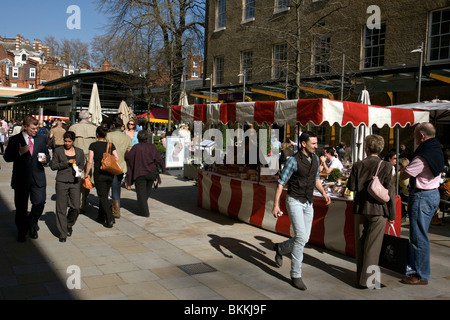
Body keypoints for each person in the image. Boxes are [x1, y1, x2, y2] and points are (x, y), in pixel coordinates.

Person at [272, 131, 331, 290]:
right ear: (304, 144)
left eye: (316, 143)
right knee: (300, 237)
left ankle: (281, 248)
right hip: (294, 201)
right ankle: (295, 274)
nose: (316, 146)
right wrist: (276, 204)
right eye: (313, 143)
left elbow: (316, 178)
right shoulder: (293, 160)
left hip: (308, 202)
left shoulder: (316, 159)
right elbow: (281, 183)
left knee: (304, 238)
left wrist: (324, 193)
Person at [347, 134, 396, 289]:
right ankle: (368, 281)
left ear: (366, 148)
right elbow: (391, 192)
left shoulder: (358, 165)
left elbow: (351, 187)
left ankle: (360, 277)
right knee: (373, 247)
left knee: (361, 244)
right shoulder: (387, 166)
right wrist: (392, 214)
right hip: (379, 210)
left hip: (361, 208)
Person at [399, 122, 444, 285]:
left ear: (422, 136)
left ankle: (420, 275)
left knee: (418, 237)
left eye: (415, 134)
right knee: (421, 235)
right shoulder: (436, 149)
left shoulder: (422, 155)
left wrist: (399, 173)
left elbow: (404, 175)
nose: (414, 137)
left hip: (422, 197)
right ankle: (420, 270)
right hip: (433, 195)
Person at [3, 116, 50, 242]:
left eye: (37, 128)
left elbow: (47, 154)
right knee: (21, 208)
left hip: (38, 177)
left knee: (40, 202)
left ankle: (32, 222)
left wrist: (46, 159)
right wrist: (19, 153)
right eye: (33, 128)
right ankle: (22, 231)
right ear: (25, 127)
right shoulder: (15, 140)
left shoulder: (41, 139)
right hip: (21, 179)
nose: (36, 131)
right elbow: (6, 158)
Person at [50, 131, 84, 242]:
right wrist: (66, 162)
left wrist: (79, 169)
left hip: (75, 181)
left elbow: (82, 164)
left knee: (76, 206)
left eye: (69, 141)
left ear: (73, 141)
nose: (67, 143)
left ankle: (69, 224)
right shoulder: (58, 151)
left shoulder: (79, 152)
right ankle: (62, 233)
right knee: (61, 208)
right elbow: (53, 166)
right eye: (65, 141)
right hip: (62, 181)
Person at [85, 126, 119, 228]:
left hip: (99, 174)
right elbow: (116, 158)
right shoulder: (110, 145)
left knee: (103, 196)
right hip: (109, 173)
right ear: (105, 135)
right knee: (103, 194)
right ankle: (100, 216)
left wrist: (87, 173)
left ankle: (110, 219)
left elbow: (90, 161)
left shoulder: (93, 145)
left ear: (97, 134)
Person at [125, 130, 164, 218]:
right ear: (147, 138)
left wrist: (125, 152)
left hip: (140, 173)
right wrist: (162, 168)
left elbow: (128, 157)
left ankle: (144, 212)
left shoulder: (136, 147)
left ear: (138, 138)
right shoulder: (152, 147)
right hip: (151, 173)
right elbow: (158, 159)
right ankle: (142, 206)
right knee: (146, 191)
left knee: (141, 192)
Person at [69, 110, 98, 214]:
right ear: (88, 118)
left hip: (76, 157)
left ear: (79, 117)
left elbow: (68, 143)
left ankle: (77, 202)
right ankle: (82, 203)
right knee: (86, 180)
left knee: (76, 180)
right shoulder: (94, 128)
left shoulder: (73, 127)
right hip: (90, 158)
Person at [106, 117, 132, 219]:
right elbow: (129, 151)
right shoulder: (126, 138)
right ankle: (116, 209)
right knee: (116, 187)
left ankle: (111, 208)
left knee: (108, 186)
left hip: (109, 165)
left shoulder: (108, 135)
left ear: (113, 125)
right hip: (121, 165)